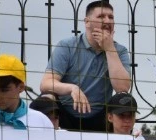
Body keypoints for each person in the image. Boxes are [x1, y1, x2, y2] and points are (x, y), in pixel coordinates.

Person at [41, 0, 131, 132]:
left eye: (111, 17)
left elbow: (122, 88)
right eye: (101, 16)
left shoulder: (120, 50)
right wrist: (72, 88)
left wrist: (110, 49)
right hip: (64, 112)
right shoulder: (67, 45)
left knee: (125, 100)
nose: (107, 21)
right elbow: (46, 84)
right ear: (87, 22)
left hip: (100, 115)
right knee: (46, 98)